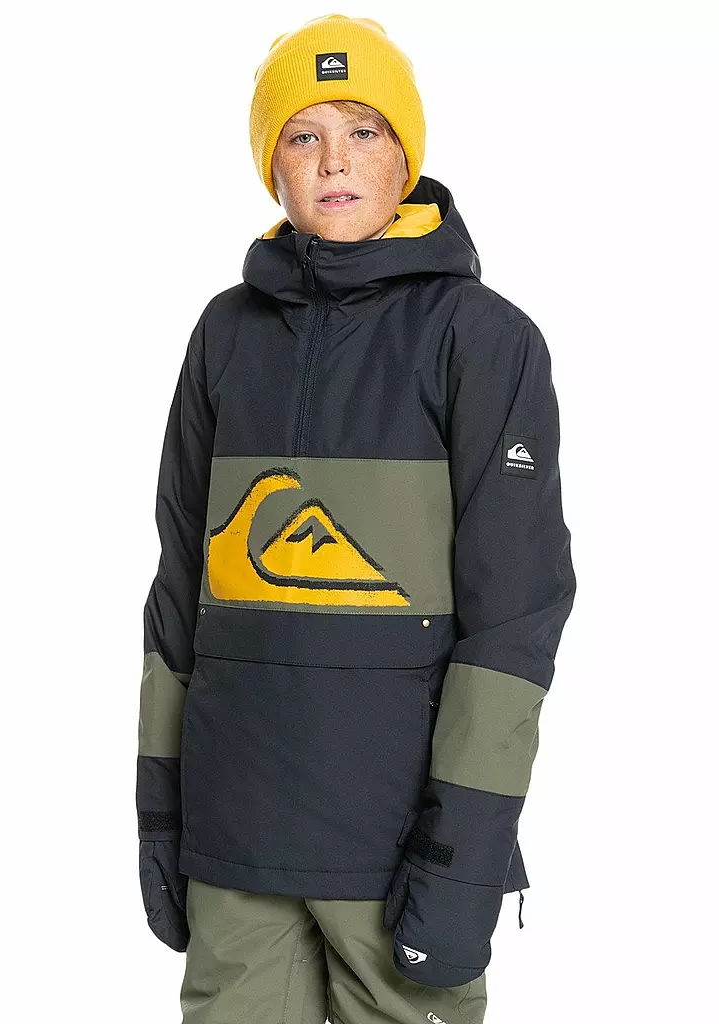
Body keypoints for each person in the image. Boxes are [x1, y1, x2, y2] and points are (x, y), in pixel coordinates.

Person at [135, 14, 576, 1024]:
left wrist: (464, 856)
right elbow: (178, 593)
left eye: (364, 130)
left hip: (395, 847)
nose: (334, 160)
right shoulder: (224, 334)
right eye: (303, 135)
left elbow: (514, 621)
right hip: (236, 844)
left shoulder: (483, 339)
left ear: (405, 153)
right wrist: (160, 809)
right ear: (272, 166)